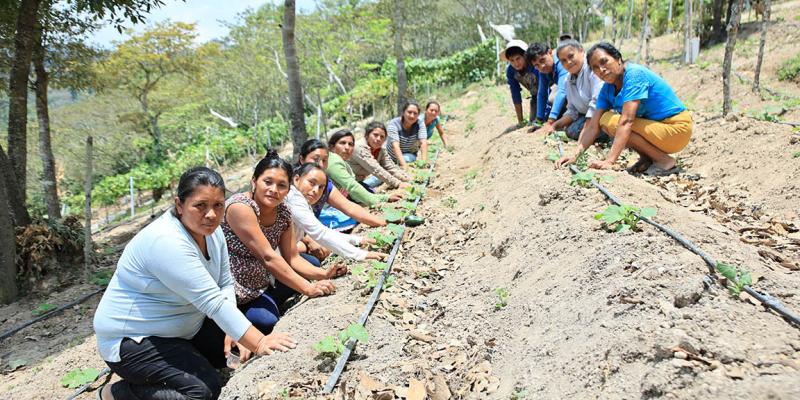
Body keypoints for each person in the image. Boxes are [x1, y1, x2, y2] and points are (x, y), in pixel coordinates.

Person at [93, 167, 297, 400]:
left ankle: (172, 368)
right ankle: (116, 393)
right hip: (135, 340)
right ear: (179, 205)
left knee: (236, 348)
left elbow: (224, 283)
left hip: (184, 328)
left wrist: (233, 331)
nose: (211, 214)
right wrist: (259, 342)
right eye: (200, 205)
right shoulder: (166, 242)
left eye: (218, 205)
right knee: (202, 392)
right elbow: (211, 302)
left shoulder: (212, 230)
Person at [222, 150, 342, 334]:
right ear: (254, 182)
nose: (273, 190)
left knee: (311, 266)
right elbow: (268, 257)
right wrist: (308, 288)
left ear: (288, 190)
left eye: (281, 185)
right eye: (267, 182)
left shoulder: (283, 212)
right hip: (238, 289)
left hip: (265, 279)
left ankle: (273, 300)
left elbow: (292, 257)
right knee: (266, 322)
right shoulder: (240, 207)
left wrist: (325, 274)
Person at [556, 42, 693, 174]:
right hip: (658, 131)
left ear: (618, 58)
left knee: (613, 121)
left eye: (604, 62)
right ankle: (648, 159)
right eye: (595, 68)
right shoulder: (607, 89)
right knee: (604, 119)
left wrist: (610, 161)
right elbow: (593, 126)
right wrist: (575, 155)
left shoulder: (634, 75)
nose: (601, 69)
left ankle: (664, 161)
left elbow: (626, 121)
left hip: (676, 130)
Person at [286, 162, 387, 264]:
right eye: (312, 183)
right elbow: (320, 232)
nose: (316, 190)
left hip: (285, 250)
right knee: (313, 263)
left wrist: (357, 240)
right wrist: (362, 255)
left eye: (321, 187)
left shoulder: (301, 199)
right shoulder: (294, 199)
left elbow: (322, 230)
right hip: (275, 258)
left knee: (314, 261)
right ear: (296, 179)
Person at [299, 139, 386, 230]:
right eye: (315, 159)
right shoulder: (291, 188)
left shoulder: (326, 184)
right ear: (302, 159)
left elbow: (349, 207)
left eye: (324, 160)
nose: (320, 164)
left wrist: (383, 222)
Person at [534, 39, 607, 142]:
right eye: (563, 60)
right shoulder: (568, 80)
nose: (568, 62)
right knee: (570, 130)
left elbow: (597, 104)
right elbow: (572, 110)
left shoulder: (593, 69)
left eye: (571, 56)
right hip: (587, 114)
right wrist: (553, 126)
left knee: (578, 130)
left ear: (581, 51)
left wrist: (586, 131)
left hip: (605, 113)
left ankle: (608, 135)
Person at [328, 129, 404, 207]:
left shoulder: (381, 150)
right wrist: (379, 203)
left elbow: (354, 192)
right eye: (342, 143)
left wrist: (385, 197)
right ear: (332, 146)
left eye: (350, 144)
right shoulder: (334, 161)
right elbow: (352, 187)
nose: (347, 147)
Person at [348, 121, 412, 190]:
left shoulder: (380, 150)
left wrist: (407, 179)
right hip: (346, 184)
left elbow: (391, 167)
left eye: (382, 137)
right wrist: (398, 183)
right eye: (375, 135)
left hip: (358, 182)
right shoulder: (359, 148)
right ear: (367, 135)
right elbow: (376, 170)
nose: (379, 139)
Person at [527, 42, 569, 129]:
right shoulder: (543, 70)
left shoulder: (561, 62)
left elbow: (562, 91)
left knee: (554, 98)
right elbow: (542, 93)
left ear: (550, 53)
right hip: (571, 92)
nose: (541, 66)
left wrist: (551, 120)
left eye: (543, 60)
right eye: (536, 65)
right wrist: (539, 119)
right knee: (551, 99)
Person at [502, 39, 540, 126]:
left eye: (518, 59)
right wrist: (520, 120)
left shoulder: (535, 64)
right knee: (533, 123)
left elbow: (545, 86)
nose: (516, 63)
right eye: (512, 60)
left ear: (525, 56)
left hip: (550, 90)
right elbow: (515, 94)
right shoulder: (511, 71)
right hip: (535, 97)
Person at [385, 101, 429, 168]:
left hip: (409, 155)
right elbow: (395, 146)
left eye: (415, 113)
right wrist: (405, 166)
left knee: (408, 158)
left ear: (418, 115)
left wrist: (423, 164)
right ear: (403, 112)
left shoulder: (419, 124)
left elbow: (423, 143)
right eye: (409, 112)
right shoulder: (394, 124)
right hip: (391, 157)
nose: (412, 115)